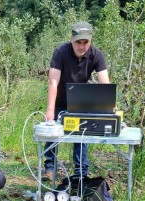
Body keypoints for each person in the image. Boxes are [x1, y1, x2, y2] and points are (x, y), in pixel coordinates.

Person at [44, 21, 110, 180]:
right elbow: (53, 81)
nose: (82, 46)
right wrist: (50, 110)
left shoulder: (96, 55)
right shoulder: (61, 51)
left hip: (80, 104)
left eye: (85, 42)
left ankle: (81, 172)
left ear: (90, 40)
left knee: (82, 135)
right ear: (71, 40)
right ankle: (50, 168)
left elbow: (105, 84)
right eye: (78, 42)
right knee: (51, 134)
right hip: (59, 101)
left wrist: (109, 111)